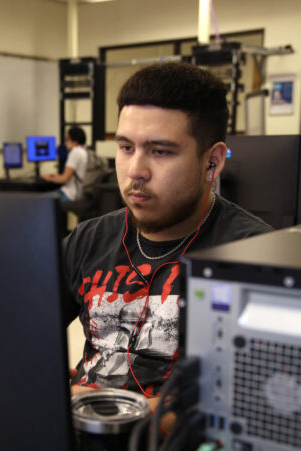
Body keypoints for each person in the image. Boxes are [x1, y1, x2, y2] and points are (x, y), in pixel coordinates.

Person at [62, 62, 272, 401]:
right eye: (126, 147)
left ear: (213, 162)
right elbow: (21, 332)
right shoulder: (87, 240)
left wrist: (156, 414)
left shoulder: (255, 255)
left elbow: (263, 398)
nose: (136, 170)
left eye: (160, 151)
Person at [41, 127, 88, 202]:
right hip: (79, 193)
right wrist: (57, 176)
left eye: (67, 140)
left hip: (70, 195)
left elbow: (64, 178)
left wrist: (48, 178)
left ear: (75, 141)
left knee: (39, 199)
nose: (66, 143)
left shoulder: (75, 152)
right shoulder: (84, 151)